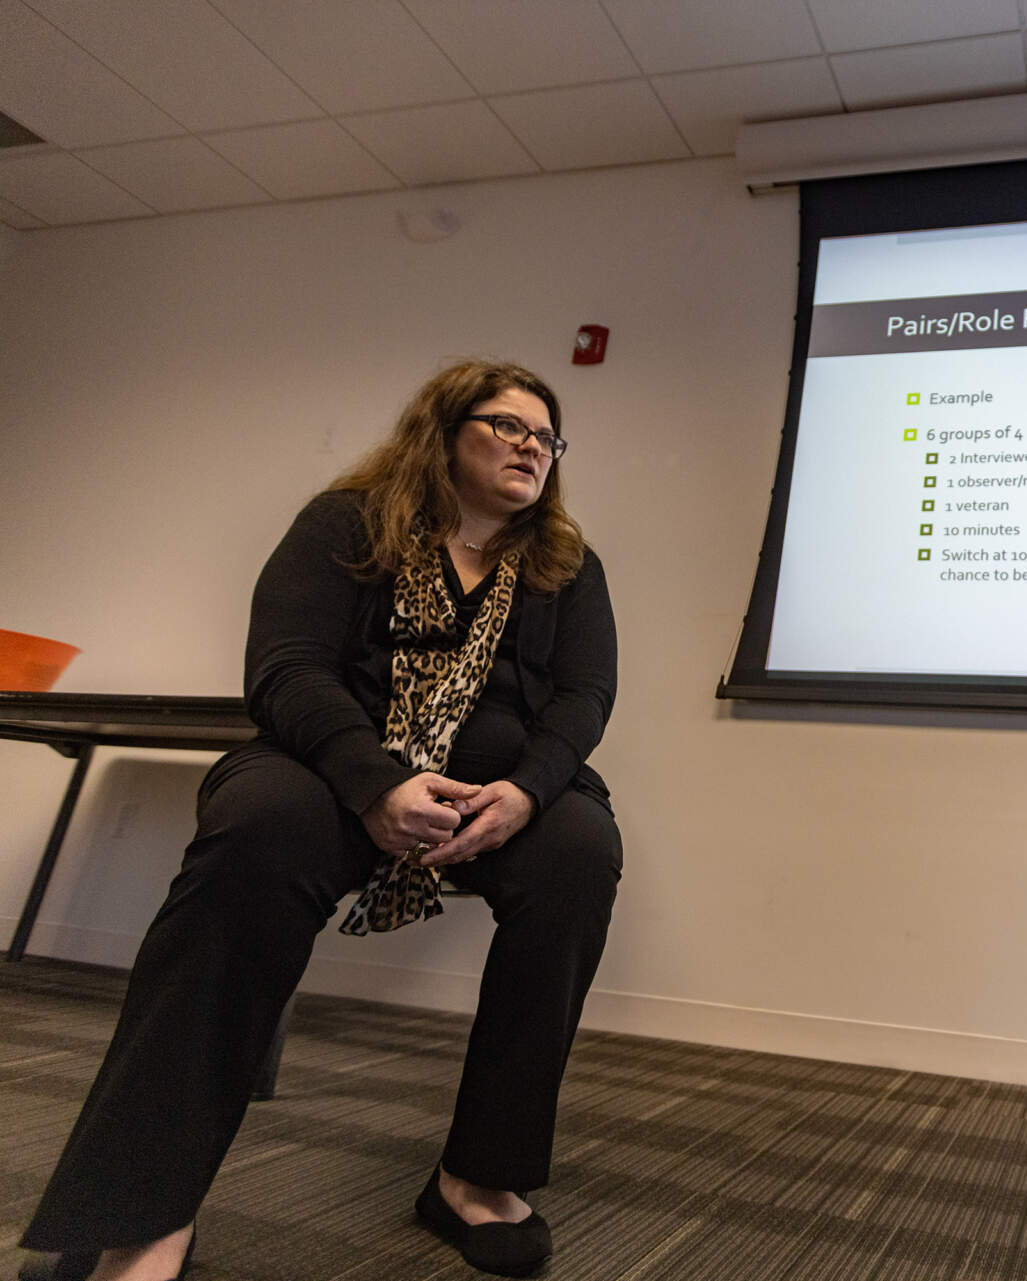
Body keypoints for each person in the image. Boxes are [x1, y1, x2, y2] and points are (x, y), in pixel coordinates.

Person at [18, 360, 621, 1281]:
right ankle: (142, 1205)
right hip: (331, 767)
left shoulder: (566, 567)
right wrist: (375, 785)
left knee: (579, 850)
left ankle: (477, 1177)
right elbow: (286, 668)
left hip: (498, 789)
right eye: (509, 426)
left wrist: (530, 791)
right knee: (258, 828)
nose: (533, 445)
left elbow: (584, 699)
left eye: (547, 436)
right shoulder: (345, 524)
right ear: (444, 429)